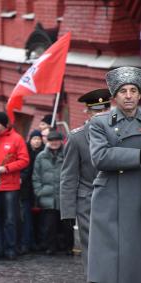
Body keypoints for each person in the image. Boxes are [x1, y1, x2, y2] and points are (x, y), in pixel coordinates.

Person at [88, 66, 141, 283]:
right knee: (110, 261)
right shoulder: (100, 123)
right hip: (112, 198)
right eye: (123, 91)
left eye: (133, 90)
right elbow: (100, 157)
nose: (128, 96)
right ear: (115, 97)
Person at [60, 89, 111, 272]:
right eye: (96, 111)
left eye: (104, 110)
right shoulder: (77, 137)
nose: (100, 115)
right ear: (88, 113)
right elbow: (69, 176)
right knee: (92, 246)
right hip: (88, 199)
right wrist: (68, 212)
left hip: (115, 197)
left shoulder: (119, 133)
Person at [0, 111, 29, 260]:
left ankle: (11, 249)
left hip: (10, 187)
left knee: (10, 220)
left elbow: (24, 160)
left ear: (5, 125)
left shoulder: (16, 139)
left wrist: (6, 168)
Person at [32, 131, 73, 255]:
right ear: (47, 142)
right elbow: (36, 176)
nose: (54, 143)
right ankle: (51, 247)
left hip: (65, 195)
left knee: (67, 225)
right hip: (47, 196)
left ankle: (68, 247)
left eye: (56, 140)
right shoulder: (41, 156)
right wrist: (39, 191)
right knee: (49, 225)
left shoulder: (68, 154)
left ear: (61, 141)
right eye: (51, 140)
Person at [19, 129, 44, 254]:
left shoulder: (44, 151)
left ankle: (38, 243)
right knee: (27, 218)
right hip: (26, 190)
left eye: (39, 139)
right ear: (30, 140)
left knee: (40, 219)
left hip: (40, 189)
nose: (37, 141)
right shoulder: (25, 151)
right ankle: (27, 243)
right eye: (35, 139)